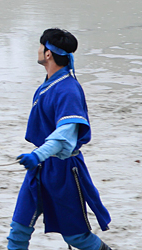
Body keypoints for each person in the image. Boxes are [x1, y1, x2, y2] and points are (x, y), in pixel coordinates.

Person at [6, 28, 113, 250]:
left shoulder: (68, 90)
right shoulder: (49, 84)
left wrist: (37, 155)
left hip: (63, 170)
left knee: (77, 238)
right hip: (39, 168)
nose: (37, 50)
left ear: (47, 54)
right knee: (18, 231)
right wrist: (38, 157)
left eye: (40, 46)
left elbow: (64, 136)